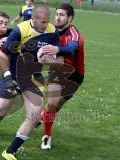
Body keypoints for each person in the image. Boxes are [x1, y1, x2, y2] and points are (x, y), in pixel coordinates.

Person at [0, 5, 60, 160]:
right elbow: (2, 54)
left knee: (34, 115)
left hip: (34, 77)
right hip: (13, 74)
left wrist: (49, 58)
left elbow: (55, 57)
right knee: (1, 111)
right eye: (42, 22)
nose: (46, 25)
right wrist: (7, 77)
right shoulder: (20, 30)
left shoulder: (52, 31)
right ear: (33, 19)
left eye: (48, 21)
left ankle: (10, 151)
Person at [39, 3, 85, 150]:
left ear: (70, 18)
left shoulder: (74, 34)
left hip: (75, 75)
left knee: (56, 105)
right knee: (52, 103)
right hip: (57, 71)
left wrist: (56, 49)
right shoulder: (51, 31)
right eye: (57, 14)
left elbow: (72, 47)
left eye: (62, 15)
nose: (58, 17)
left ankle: (43, 117)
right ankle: (46, 136)